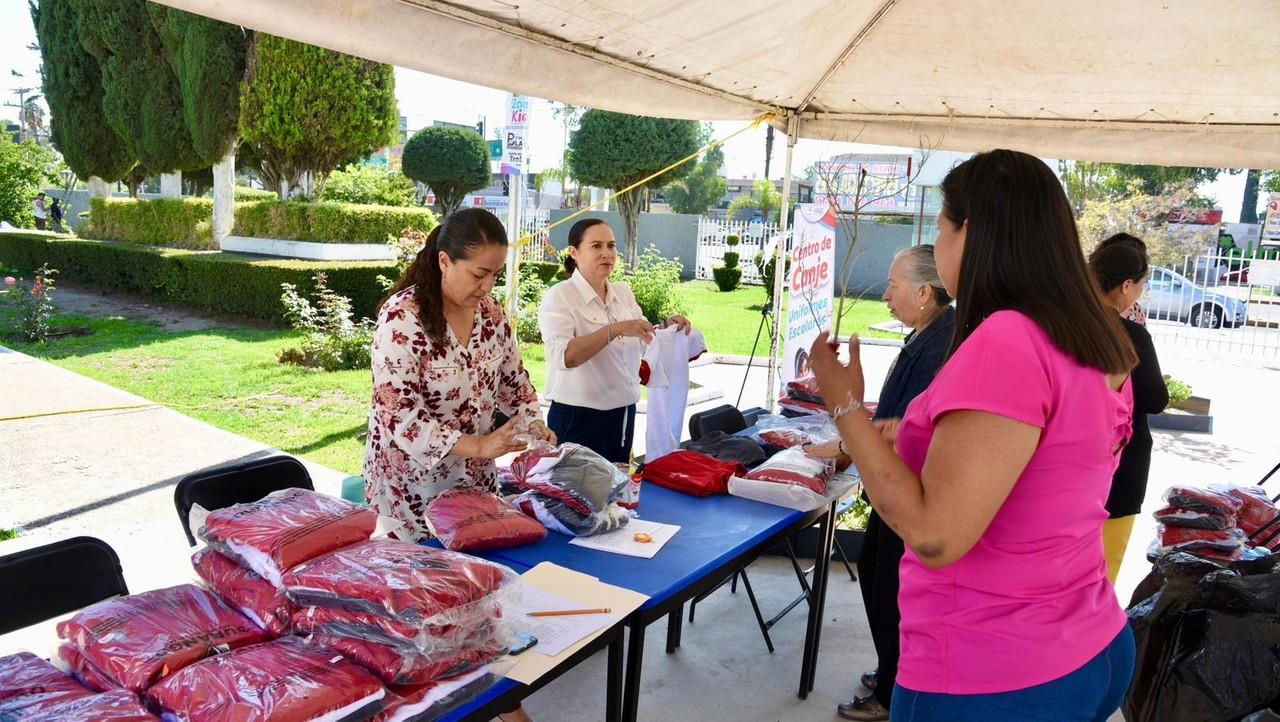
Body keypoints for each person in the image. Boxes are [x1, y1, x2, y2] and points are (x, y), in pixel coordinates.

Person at [808, 149, 1137, 721]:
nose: (938, 247)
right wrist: (910, 433)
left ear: (972, 233)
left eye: (940, 228)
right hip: (1088, 643)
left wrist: (842, 403)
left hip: (995, 670)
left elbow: (936, 535)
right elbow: (1042, 461)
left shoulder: (1007, 338)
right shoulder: (1089, 337)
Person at [808, 245, 955, 721]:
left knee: (888, 587)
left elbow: (910, 427)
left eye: (893, 286)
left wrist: (851, 430)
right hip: (892, 484)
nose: (886, 295)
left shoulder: (941, 344)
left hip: (906, 489)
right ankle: (892, 671)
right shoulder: (928, 334)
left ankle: (895, 688)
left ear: (925, 292)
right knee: (876, 577)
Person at [363, 208, 555, 541]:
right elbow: (401, 417)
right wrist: (480, 446)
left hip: (475, 482)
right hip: (412, 489)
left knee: (480, 575)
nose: (487, 285)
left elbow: (517, 386)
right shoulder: (403, 319)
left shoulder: (492, 315)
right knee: (424, 580)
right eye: (479, 273)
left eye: (495, 274)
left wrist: (534, 428)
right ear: (444, 262)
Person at [538, 218, 690, 462]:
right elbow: (564, 356)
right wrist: (614, 330)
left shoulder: (622, 292)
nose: (607, 253)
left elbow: (641, 335)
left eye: (611, 246)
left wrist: (666, 327)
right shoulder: (560, 296)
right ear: (574, 253)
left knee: (617, 492)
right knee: (579, 495)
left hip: (623, 414)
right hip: (578, 417)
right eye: (596, 246)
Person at [1089, 233, 1168, 583]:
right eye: (1140, 285)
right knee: (1101, 580)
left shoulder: (1060, 325)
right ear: (1125, 286)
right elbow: (1155, 398)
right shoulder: (1132, 336)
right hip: (1118, 472)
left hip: (1062, 471)